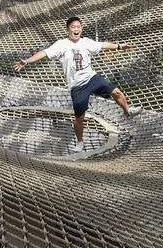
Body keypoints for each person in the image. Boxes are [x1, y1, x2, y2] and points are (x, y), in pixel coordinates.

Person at [14, 16, 142, 152]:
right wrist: (27, 61)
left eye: (78, 27)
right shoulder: (61, 44)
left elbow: (103, 45)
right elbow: (44, 53)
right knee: (79, 118)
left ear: (81, 29)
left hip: (91, 78)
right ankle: (80, 142)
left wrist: (119, 46)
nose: (76, 29)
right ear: (68, 30)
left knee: (116, 92)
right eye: (73, 27)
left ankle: (128, 112)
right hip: (77, 86)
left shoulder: (86, 42)